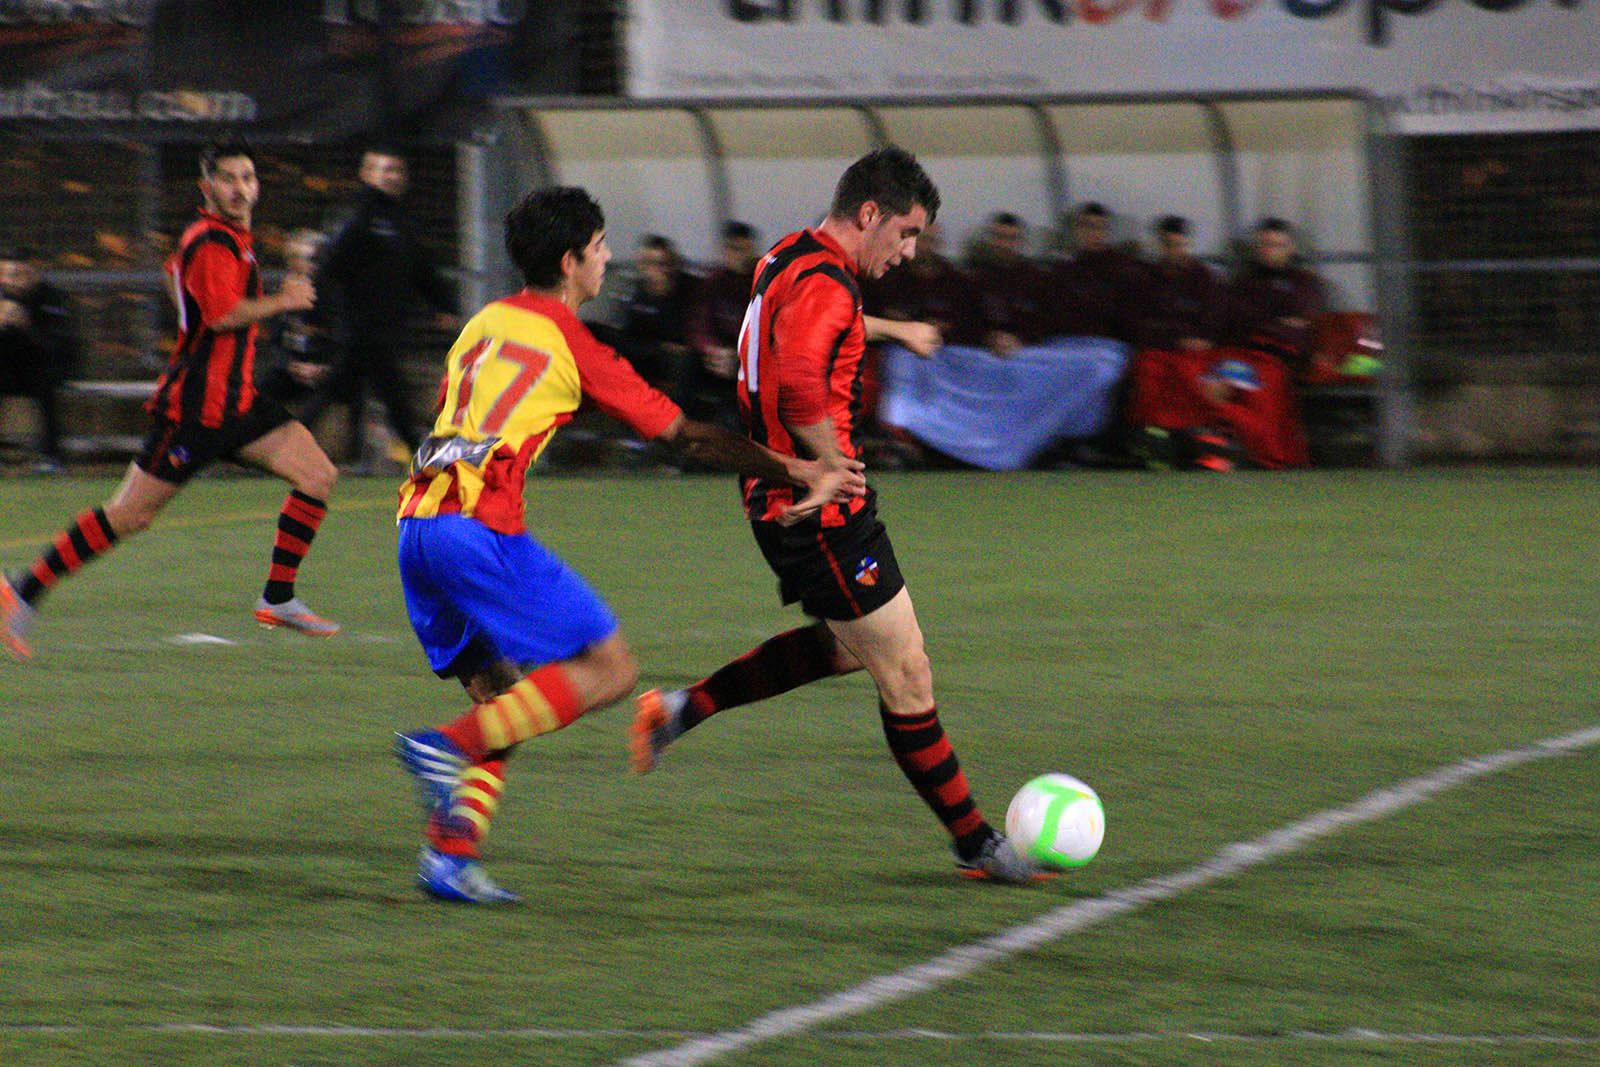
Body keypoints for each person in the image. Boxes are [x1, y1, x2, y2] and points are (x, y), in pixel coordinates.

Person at [391, 186, 864, 904]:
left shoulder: (483, 323)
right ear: (569, 261)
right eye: (599, 246)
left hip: (416, 528)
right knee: (611, 669)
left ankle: (449, 859)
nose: (609, 257)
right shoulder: (572, 342)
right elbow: (686, 438)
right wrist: (799, 469)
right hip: (478, 529)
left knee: (506, 701)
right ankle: (442, 746)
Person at [630, 146, 1050, 885]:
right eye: (907, 233)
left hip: (783, 496)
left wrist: (895, 330)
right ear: (870, 214)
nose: (910, 251)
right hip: (820, 511)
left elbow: (816, 324)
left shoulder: (790, 256)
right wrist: (828, 463)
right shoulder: (830, 286)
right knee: (907, 672)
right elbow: (799, 385)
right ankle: (977, 843)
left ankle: (680, 709)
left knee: (850, 647)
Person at [0, 137, 340, 662]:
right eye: (228, 179)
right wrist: (284, 301)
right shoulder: (211, 240)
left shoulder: (227, 239)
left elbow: (177, 279)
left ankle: (278, 597)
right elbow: (221, 315)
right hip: (196, 410)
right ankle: (22, 589)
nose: (240, 188)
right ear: (207, 187)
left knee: (317, 475)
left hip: (237, 401)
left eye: (247, 177)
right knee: (129, 515)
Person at [300, 146, 458, 470]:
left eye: (396, 170)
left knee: (350, 391)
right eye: (384, 170)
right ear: (367, 174)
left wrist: (445, 305)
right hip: (360, 325)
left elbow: (422, 271)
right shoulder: (358, 217)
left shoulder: (403, 221)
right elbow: (329, 267)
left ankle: (285, 444)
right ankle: (423, 457)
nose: (391, 177)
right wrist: (316, 313)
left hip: (387, 326)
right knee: (386, 393)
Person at [0, 247, 79, 474]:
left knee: (46, 388)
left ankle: (51, 456)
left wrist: (25, 325)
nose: (14, 280)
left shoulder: (51, 297)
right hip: (6, 370)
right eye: (9, 273)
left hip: (42, 368)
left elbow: (59, 345)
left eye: (21, 273)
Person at [682, 220, 758, 431]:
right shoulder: (714, 282)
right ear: (725, 251)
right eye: (735, 249)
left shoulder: (763, 280)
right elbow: (698, 324)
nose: (741, 256)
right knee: (689, 362)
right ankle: (683, 430)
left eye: (746, 249)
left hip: (750, 356)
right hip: (719, 353)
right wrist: (713, 349)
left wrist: (738, 355)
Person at [256, 228, 332, 408]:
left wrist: (323, 369)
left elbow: (346, 340)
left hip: (328, 372)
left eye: (305, 258)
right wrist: (289, 365)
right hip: (290, 369)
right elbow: (276, 338)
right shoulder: (281, 290)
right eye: (292, 257)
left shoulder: (333, 294)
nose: (297, 264)